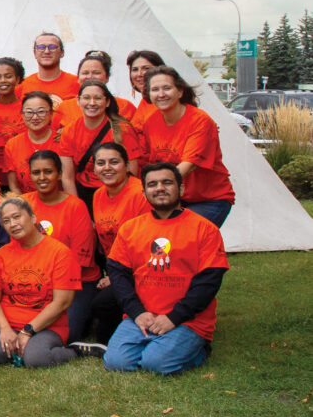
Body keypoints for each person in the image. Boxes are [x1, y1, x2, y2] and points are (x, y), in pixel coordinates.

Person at [102, 163, 228, 375]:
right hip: (143, 316)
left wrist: (174, 317)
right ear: (144, 192)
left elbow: (209, 282)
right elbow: (118, 275)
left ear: (181, 189)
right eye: (152, 184)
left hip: (188, 319)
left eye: (167, 182)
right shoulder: (131, 228)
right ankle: (159, 345)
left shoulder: (204, 229)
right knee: (116, 363)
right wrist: (137, 312)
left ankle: (200, 349)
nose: (159, 188)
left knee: (156, 364)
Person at [0, 196, 79, 367]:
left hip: (45, 325)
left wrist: (28, 331)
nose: (12, 224)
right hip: (8, 321)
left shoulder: (60, 253)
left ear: (33, 218)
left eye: (17, 217)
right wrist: (4, 328)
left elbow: (62, 302)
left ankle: (74, 351)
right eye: (6, 221)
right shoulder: (1, 255)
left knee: (36, 359)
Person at [137, 66, 235, 225]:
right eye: (155, 89)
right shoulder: (151, 122)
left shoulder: (199, 121)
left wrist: (155, 188)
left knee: (182, 232)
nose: (161, 94)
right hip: (174, 197)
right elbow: (149, 163)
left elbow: (188, 166)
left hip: (208, 198)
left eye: (167, 88)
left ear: (180, 92)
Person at [22, 149, 101, 342]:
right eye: (36, 172)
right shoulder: (23, 204)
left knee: (67, 334)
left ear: (58, 174)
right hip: (36, 280)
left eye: (48, 172)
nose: (42, 177)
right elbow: (17, 251)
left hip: (75, 283)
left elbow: (79, 262)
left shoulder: (76, 206)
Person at [85, 142, 151, 352]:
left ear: (126, 165)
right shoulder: (98, 195)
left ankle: (119, 340)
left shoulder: (140, 193)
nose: (107, 168)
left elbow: (148, 243)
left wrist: (116, 277)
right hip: (116, 264)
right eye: (101, 163)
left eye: (114, 162)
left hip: (143, 267)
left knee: (102, 303)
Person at [64, 80, 147, 200]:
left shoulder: (123, 130)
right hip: (84, 193)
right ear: (78, 101)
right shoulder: (69, 131)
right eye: (86, 98)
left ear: (107, 102)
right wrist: (77, 207)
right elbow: (67, 177)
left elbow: (132, 173)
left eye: (98, 98)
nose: (92, 103)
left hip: (117, 193)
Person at [0, 93, 75, 197]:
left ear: (51, 114)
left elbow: (68, 180)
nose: (35, 117)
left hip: (58, 204)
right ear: (22, 115)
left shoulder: (61, 141)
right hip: (27, 206)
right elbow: (14, 186)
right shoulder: (12, 145)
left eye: (41, 112)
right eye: (29, 112)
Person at [20, 33, 79, 101]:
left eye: (52, 47)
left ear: (62, 52)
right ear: (34, 53)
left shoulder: (76, 83)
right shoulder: (22, 85)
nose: (47, 51)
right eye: (41, 47)